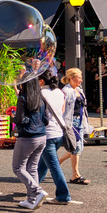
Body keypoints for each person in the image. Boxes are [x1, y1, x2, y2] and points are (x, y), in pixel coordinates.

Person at [12, 78, 49, 210]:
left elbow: (20, 120)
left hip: (28, 137)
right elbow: (46, 120)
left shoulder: (23, 98)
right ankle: (32, 199)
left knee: (18, 167)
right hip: (42, 136)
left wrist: (13, 117)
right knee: (32, 167)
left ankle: (36, 191)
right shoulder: (41, 98)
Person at [37, 73, 71, 205]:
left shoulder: (41, 93)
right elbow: (62, 111)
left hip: (48, 133)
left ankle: (63, 196)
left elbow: (38, 113)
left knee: (53, 165)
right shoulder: (59, 92)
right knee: (44, 163)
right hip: (59, 132)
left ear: (41, 81)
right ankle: (33, 187)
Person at [59, 68, 92, 185]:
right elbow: (62, 109)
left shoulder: (78, 90)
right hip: (71, 122)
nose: (81, 80)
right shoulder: (66, 91)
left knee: (78, 147)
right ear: (72, 78)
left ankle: (58, 162)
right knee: (76, 148)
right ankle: (75, 175)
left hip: (80, 121)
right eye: (79, 78)